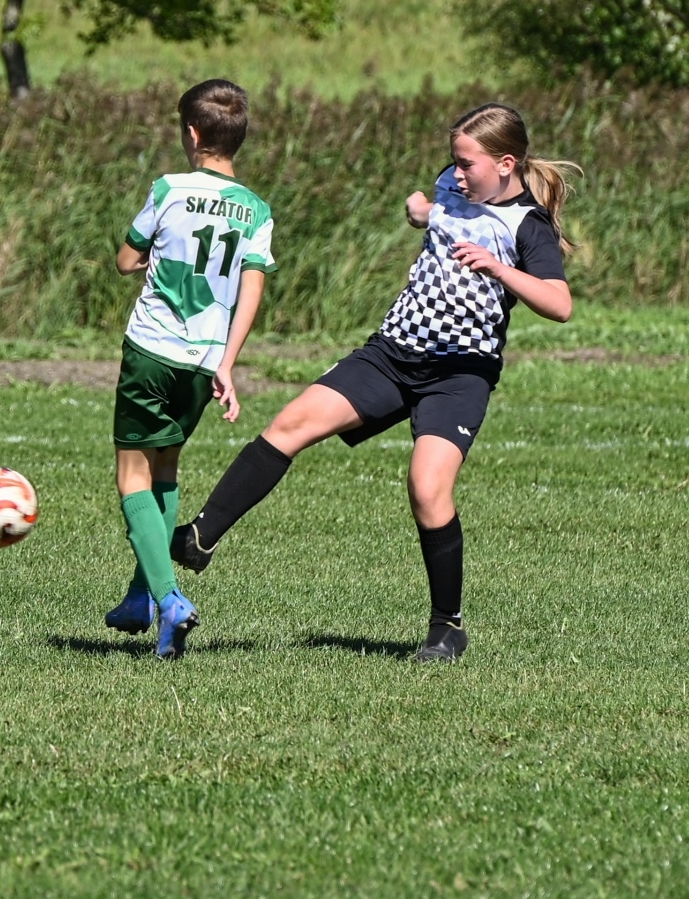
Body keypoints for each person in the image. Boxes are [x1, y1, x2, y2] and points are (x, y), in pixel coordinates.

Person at [170, 102, 577, 662]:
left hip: (459, 373)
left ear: (506, 164)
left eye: (468, 164)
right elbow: (436, 212)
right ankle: (201, 538)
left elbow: (560, 304)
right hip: (391, 353)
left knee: (427, 489)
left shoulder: (527, 225)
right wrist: (421, 210)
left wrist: (500, 268)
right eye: (454, 161)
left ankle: (447, 627)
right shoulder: (452, 184)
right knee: (291, 424)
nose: (457, 173)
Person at [107, 79, 276, 660]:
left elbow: (126, 260)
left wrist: (153, 255)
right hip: (204, 362)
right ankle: (139, 599)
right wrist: (228, 362)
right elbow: (252, 287)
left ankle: (169, 599)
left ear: (192, 133)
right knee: (166, 469)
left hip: (152, 350)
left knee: (132, 475)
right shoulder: (256, 210)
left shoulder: (169, 189)